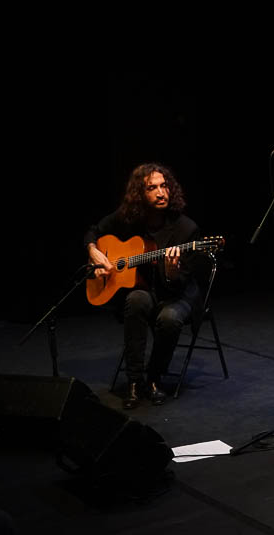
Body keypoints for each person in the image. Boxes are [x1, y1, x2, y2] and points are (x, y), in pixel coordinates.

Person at [85, 163, 201, 410]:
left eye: (164, 186)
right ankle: (135, 382)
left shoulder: (186, 229)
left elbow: (181, 282)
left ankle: (155, 378)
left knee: (169, 318)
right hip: (146, 290)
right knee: (135, 301)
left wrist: (172, 272)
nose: (161, 193)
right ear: (140, 193)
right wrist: (94, 251)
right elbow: (94, 231)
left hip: (178, 294)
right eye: (152, 188)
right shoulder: (129, 220)